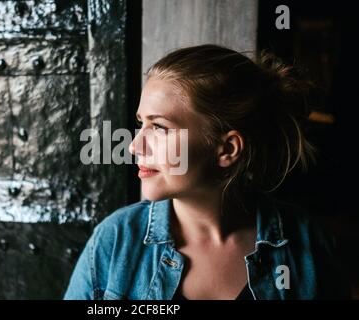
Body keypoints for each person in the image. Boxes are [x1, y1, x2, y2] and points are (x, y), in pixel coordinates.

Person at [63, 44, 350, 300]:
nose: (135, 146)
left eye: (159, 128)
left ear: (227, 149)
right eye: (141, 124)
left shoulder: (309, 245)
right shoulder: (114, 242)